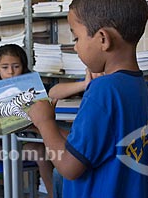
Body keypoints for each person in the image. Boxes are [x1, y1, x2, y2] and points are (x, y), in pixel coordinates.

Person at [28, 0, 148, 197]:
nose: (75, 46)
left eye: (76, 37)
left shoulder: (102, 89)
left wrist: (45, 122)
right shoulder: (136, 84)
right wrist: (46, 130)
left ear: (103, 39)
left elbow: (69, 167)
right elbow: (98, 143)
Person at [0, 44, 54, 196]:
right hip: (0, 145)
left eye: (16, 66)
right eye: (5, 67)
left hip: (24, 144)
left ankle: (53, 193)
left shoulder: (34, 88)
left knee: (40, 151)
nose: (11, 72)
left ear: (23, 67)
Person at [48, 68, 104, 198]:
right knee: (58, 172)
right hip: (83, 150)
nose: (99, 74)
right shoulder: (90, 87)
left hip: (98, 158)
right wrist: (85, 84)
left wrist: (45, 125)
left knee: (62, 171)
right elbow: (53, 92)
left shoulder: (106, 94)